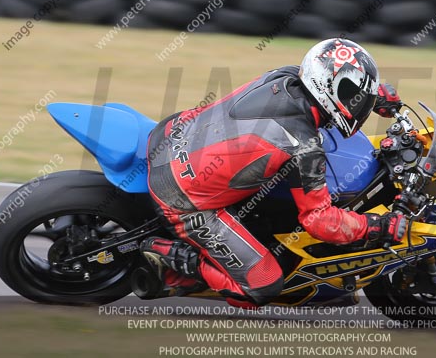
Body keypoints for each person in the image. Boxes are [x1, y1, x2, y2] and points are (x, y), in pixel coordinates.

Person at [141, 38, 408, 308]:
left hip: (172, 134)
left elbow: (325, 86)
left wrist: (371, 98)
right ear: (328, 86)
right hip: (180, 198)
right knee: (262, 286)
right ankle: (173, 258)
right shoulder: (301, 144)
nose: (356, 103)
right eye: (352, 94)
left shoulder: (287, 75)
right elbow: (320, 221)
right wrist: (376, 226)